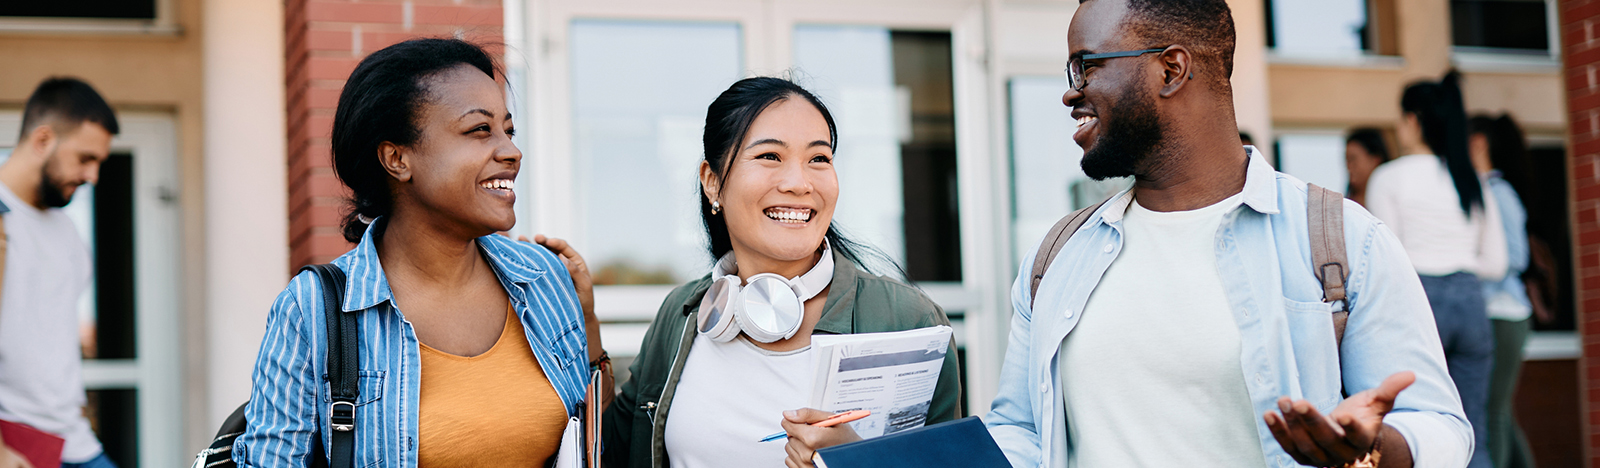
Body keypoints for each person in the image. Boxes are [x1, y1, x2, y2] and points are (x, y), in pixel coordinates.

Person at [983, 0, 1471, 467]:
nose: (1071, 92)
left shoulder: (1342, 240)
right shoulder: (1057, 256)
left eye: (1086, 66)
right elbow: (1022, 428)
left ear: (1171, 70)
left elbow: (1439, 426)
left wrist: (1372, 449)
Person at [233, 38, 606, 467]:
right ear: (397, 158)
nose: (511, 151)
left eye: (508, 129)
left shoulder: (542, 278)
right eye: (479, 130)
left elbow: (594, 434)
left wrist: (590, 325)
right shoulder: (315, 311)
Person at [601, 76, 962, 468]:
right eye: (770, 156)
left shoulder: (907, 321)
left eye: (819, 159)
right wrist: (585, 322)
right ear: (712, 182)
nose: (799, 183)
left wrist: (857, 463)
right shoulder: (683, 313)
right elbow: (617, 448)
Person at [1366, 73, 1507, 468]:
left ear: (1413, 120)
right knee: (1473, 431)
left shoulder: (1389, 177)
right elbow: (1497, 263)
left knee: (1415, 431)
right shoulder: (1470, 179)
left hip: (1418, 302)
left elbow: (1384, 260)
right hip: (1471, 304)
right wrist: (1456, 264)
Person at [0, 78, 119, 468]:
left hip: (74, 442)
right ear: (42, 140)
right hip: (15, 445)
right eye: (85, 158)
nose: (93, 176)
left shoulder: (67, 233)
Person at [1468, 114, 1538, 468]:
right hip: (1496, 313)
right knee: (1501, 412)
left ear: (1478, 144)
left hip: (1504, 313)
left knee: (1491, 411)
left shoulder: (1498, 192)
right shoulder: (1486, 191)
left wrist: (1468, 269)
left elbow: (1517, 257)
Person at [1345, 127, 1390, 206]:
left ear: (1375, 159)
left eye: (1353, 159)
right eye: (1347, 160)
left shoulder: (1390, 198)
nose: (1349, 166)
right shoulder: (1346, 204)